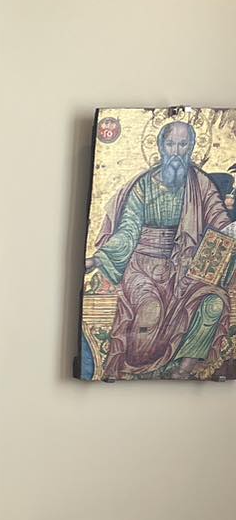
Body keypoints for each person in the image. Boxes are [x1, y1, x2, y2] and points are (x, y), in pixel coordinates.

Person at [85, 119, 235, 379]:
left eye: (183, 144)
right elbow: (128, 230)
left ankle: (183, 370)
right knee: (150, 308)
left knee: (213, 304)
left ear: (191, 147)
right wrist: (98, 259)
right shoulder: (143, 185)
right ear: (161, 146)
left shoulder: (201, 184)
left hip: (186, 269)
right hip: (143, 267)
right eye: (171, 144)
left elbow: (220, 222)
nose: (176, 151)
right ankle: (135, 370)